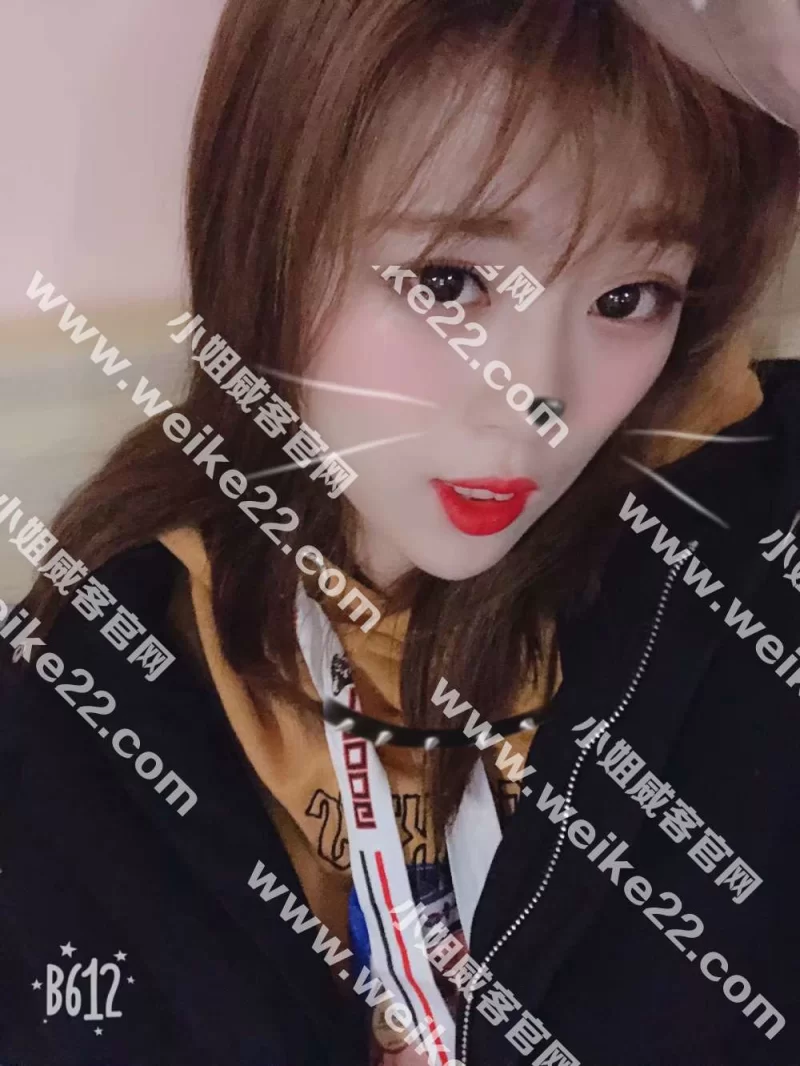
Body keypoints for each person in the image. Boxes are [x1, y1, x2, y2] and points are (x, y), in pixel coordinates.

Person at [1, 1, 797, 1064]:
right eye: (447, 282)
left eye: (628, 296)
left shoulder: (744, 546)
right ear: (268, 243)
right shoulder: (81, 704)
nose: (536, 406)